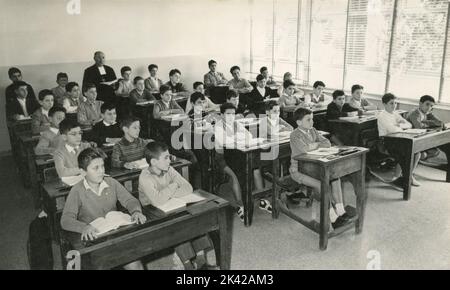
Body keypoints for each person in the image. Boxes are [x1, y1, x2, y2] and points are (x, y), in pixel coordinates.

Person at [60, 147, 147, 270]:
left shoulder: (111, 182)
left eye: (102, 166)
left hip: (115, 234)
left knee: (136, 266)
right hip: (94, 241)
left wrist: (136, 211)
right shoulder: (77, 191)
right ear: (83, 172)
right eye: (95, 168)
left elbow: (130, 200)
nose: (101, 171)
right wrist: (84, 227)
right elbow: (66, 220)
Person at [290, 107, 354, 229]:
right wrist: (316, 145)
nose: (312, 122)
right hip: (298, 171)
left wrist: (313, 145)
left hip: (315, 168)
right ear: (299, 122)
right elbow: (303, 150)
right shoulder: (294, 135)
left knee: (336, 179)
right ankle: (333, 218)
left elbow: (327, 143)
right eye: (308, 120)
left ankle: (341, 211)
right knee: (321, 184)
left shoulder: (313, 130)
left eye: (312, 119)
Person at [377, 93, 421, 187]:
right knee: (406, 153)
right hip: (386, 141)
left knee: (417, 152)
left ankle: (408, 176)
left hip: (398, 138)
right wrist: (400, 126)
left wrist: (399, 125)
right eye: (391, 103)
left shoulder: (395, 114)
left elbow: (409, 125)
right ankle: (406, 177)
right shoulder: (382, 116)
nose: (394, 105)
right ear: (384, 104)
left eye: (395, 103)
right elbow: (392, 130)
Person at [406, 95, 444, 161]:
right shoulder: (414, 113)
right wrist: (431, 123)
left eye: (431, 106)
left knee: (436, 151)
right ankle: (412, 158)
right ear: (420, 104)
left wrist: (424, 121)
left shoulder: (427, 113)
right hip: (411, 141)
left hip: (420, 139)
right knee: (424, 154)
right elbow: (419, 126)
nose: (429, 108)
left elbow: (440, 122)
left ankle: (416, 158)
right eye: (427, 104)